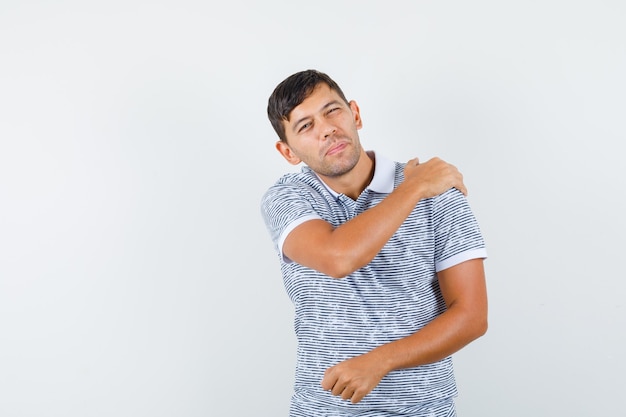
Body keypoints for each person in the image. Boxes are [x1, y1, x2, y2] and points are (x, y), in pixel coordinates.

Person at [260, 69, 488, 417]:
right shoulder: (287, 198)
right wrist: (413, 188)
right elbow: (338, 257)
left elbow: (471, 316)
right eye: (305, 126)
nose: (326, 128)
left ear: (355, 114)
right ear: (288, 151)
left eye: (332, 111)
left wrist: (380, 361)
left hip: (425, 409)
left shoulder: (437, 194)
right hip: (324, 410)